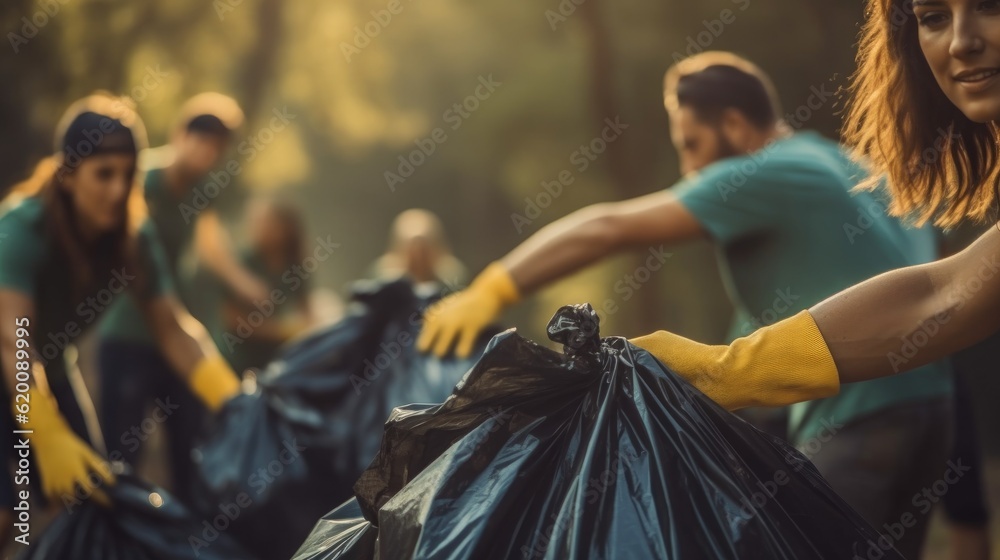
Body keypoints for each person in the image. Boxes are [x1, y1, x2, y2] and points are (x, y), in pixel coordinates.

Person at [417, 51, 954, 558]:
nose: (689, 168)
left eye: (692, 144)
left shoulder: (766, 171)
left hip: (857, 418)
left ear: (737, 127)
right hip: (933, 406)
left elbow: (608, 228)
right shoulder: (844, 165)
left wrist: (493, 289)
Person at [0, 93, 240, 545]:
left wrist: (233, 400)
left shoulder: (134, 236)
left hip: (48, 366)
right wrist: (46, 434)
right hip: (13, 361)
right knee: (5, 512)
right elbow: (15, 342)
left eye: (127, 175)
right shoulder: (21, 228)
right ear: (68, 175)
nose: (116, 188)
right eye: (103, 174)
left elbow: (172, 327)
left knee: (95, 495)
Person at [95, 92, 260, 503]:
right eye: (200, 138)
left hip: (174, 340)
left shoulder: (203, 190)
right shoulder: (139, 176)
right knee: (123, 458)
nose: (206, 151)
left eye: (216, 145)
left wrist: (247, 286)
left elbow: (210, 247)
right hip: (128, 336)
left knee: (190, 452)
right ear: (181, 134)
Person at [216, 197, 314, 374]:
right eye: (255, 222)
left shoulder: (296, 266)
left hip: (276, 360)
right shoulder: (243, 262)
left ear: (285, 228)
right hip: (238, 358)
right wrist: (278, 331)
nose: (257, 228)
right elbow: (231, 318)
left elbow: (306, 309)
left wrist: (306, 331)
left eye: (266, 222)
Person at [371, 208, 467, 296]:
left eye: (424, 247)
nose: (418, 255)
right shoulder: (382, 278)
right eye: (411, 246)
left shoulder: (451, 277)